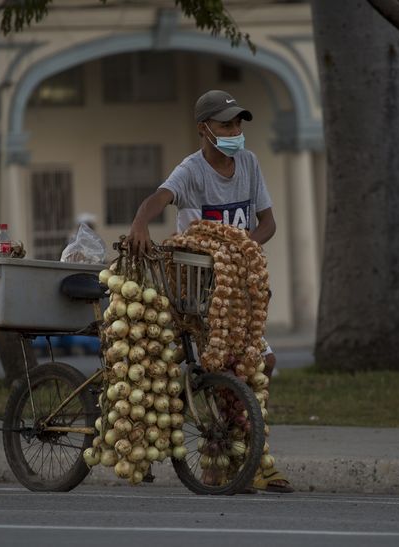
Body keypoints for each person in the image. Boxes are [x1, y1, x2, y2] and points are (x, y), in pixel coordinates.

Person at [127, 89, 293, 493]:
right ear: (204, 129)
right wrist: (139, 222)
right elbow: (159, 198)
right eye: (226, 124)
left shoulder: (249, 164)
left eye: (238, 123)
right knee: (224, 367)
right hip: (199, 293)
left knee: (263, 363)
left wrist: (242, 251)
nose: (235, 130)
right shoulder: (192, 171)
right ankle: (233, 459)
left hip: (239, 289)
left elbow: (268, 222)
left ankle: (240, 455)